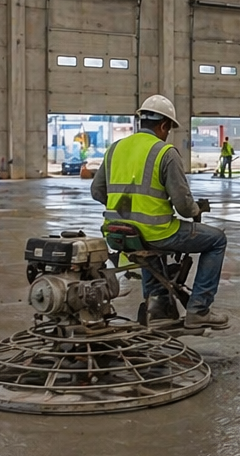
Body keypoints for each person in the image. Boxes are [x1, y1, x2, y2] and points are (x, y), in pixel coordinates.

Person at [91, 95, 229, 329]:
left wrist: (125, 209)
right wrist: (196, 209)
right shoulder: (165, 152)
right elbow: (183, 206)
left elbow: (97, 191)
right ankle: (199, 310)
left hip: (117, 232)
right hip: (155, 232)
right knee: (216, 240)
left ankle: (158, 306)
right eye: (169, 129)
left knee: (148, 247)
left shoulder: (115, 148)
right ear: (164, 125)